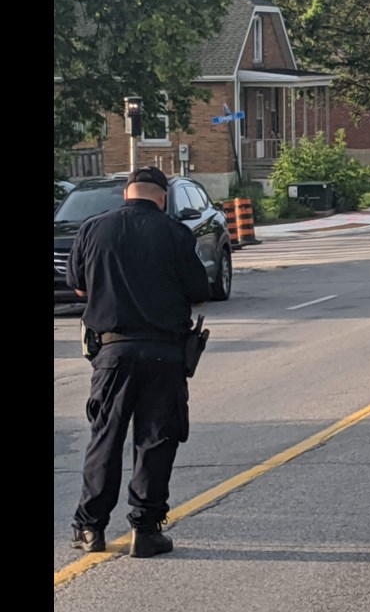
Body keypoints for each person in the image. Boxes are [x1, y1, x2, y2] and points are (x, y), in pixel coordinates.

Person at [66, 166, 211, 558]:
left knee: (105, 440)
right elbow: (200, 290)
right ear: (162, 197)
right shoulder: (176, 233)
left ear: (126, 194)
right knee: (156, 441)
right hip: (165, 352)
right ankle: (145, 531)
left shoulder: (93, 229)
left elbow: (77, 286)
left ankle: (90, 529)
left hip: (112, 352)